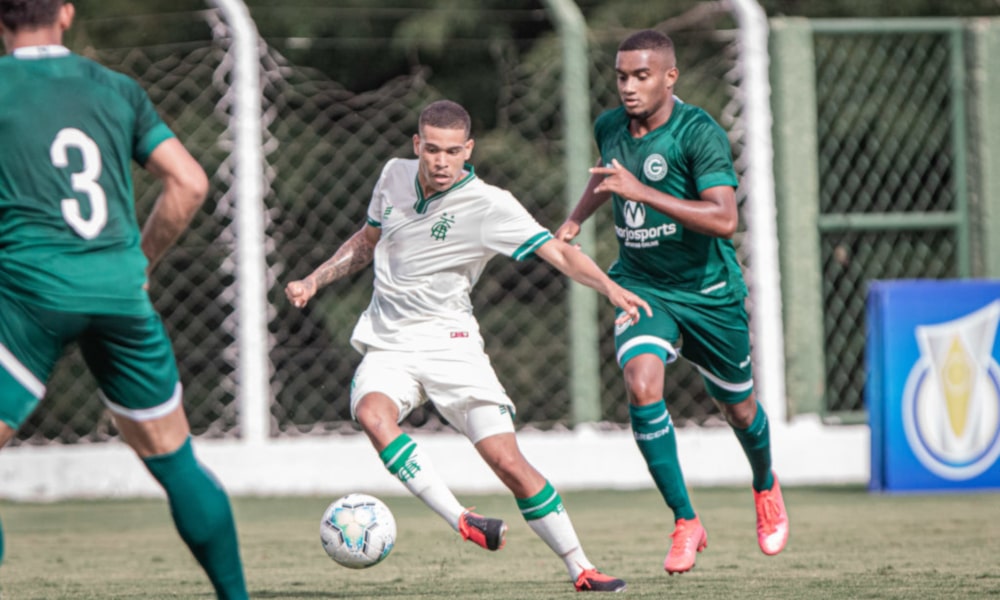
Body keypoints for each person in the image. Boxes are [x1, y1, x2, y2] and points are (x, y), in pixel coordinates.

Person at [286, 99, 651, 593]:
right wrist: (313, 279)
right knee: (373, 415)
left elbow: (559, 253)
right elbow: (368, 239)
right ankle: (462, 519)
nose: (440, 161)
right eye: (431, 149)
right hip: (390, 343)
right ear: (417, 145)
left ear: (468, 150)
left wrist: (610, 288)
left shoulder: (489, 204)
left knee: (507, 463)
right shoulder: (393, 175)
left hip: (452, 345)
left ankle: (581, 567)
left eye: (452, 151)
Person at [0, 2, 248, 598]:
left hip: (30, 291)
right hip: (117, 289)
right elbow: (188, 182)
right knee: (174, 459)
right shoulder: (116, 88)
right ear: (65, 12)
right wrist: (141, 264)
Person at [555, 29, 789, 575]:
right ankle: (686, 520)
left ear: (669, 77)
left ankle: (765, 484)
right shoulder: (611, 126)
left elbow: (725, 219)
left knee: (740, 409)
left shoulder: (698, 132)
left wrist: (645, 193)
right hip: (642, 286)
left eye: (641, 76)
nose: (629, 88)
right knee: (640, 383)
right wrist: (573, 220)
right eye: (621, 76)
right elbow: (607, 180)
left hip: (709, 296)